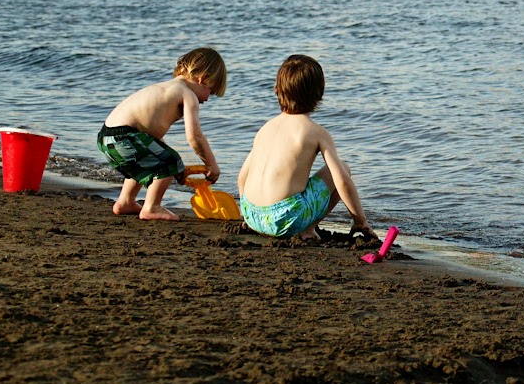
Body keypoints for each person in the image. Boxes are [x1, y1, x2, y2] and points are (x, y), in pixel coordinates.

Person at [237, 54, 376, 241]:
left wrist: (247, 214)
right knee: (342, 168)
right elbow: (341, 181)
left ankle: (260, 219)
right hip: (285, 220)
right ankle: (307, 229)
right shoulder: (316, 132)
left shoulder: (265, 129)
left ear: (276, 90)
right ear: (319, 95)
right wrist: (360, 220)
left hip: (251, 215)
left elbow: (242, 178)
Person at [97, 47, 226, 221]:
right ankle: (151, 207)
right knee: (170, 161)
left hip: (107, 136)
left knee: (148, 160)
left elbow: (151, 137)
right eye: (211, 91)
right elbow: (195, 137)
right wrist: (211, 165)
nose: (208, 98)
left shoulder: (164, 88)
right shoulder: (188, 95)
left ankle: (126, 202)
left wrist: (175, 169)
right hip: (125, 137)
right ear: (202, 78)